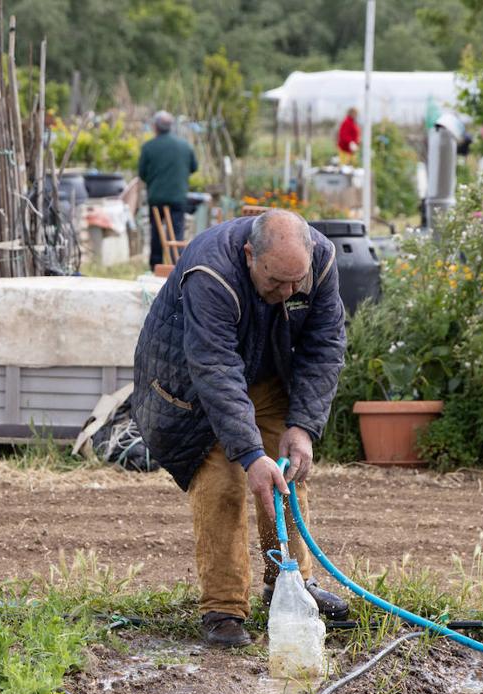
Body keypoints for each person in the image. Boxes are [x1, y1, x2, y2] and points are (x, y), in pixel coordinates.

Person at [131, 209, 350, 647]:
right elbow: (214, 367)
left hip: (267, 378)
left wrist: (303, 426)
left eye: (296, 284)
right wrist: (250, 454)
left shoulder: (319, 261)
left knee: (285, 478)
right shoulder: (210, 273)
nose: (288, 292)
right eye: (275, 282)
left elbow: (324, 345)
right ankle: (224, 608)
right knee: (225, 485)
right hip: (195, 389)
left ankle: (289, 586)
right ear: (250, 254)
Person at [138, 110, 198, 269]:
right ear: (171, 127)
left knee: (156, 233)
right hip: (178, 197)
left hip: (156, 197)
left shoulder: (149, 147)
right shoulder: (185, 146)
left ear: (155, 127)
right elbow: (194, 167)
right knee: (176, 232)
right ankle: (177, 266)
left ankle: (156, 266)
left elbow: (142, 174)